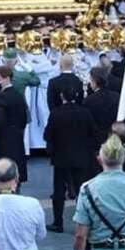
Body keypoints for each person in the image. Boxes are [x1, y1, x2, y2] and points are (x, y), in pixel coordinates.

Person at [43, 82, 98, 230]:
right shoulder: (85, 112)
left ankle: (58, 221)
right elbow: (93, 133)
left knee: (59, 190)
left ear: (62, 96)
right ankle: (84, 221)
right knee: (81, 189)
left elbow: (47, 135)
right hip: (81, 156)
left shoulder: (56, 113)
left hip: (61, 157)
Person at [0, 65, 31, 183]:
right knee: (16, 173)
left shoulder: (1, 97)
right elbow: (24, 118)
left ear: (7, 78)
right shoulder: (18, 94)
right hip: (17, 137)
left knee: (2, 174)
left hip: (3, 140)